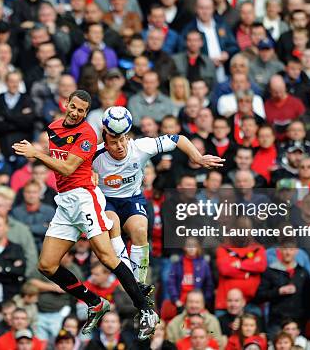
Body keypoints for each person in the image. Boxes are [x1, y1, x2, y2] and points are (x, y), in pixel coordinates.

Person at [12, 90, 159, 339]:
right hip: (66, 202)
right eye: (74, 107)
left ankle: (145, 310)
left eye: (82, 110)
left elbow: (68, 168)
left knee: (106, 256)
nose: (76, 113)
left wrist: (36, 154)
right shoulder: (54, 128)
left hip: (84, 198)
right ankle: (95, 303)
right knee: (46, 265)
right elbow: (62, 169)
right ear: (66, 104)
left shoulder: (88, 134)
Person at [93, 116, 222, 289]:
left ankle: (139, 282)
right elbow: (71, 169)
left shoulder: (141, 146)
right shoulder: (94, 155)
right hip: (107, 200)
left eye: (122, 140)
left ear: (128, 138)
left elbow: (178, 139)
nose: (120, 146)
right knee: (113, 224)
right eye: (114, 142)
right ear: (105, 144)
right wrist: (87, 175)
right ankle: (127, 279)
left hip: (132, 198)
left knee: (140, 230)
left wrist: (197, 158)